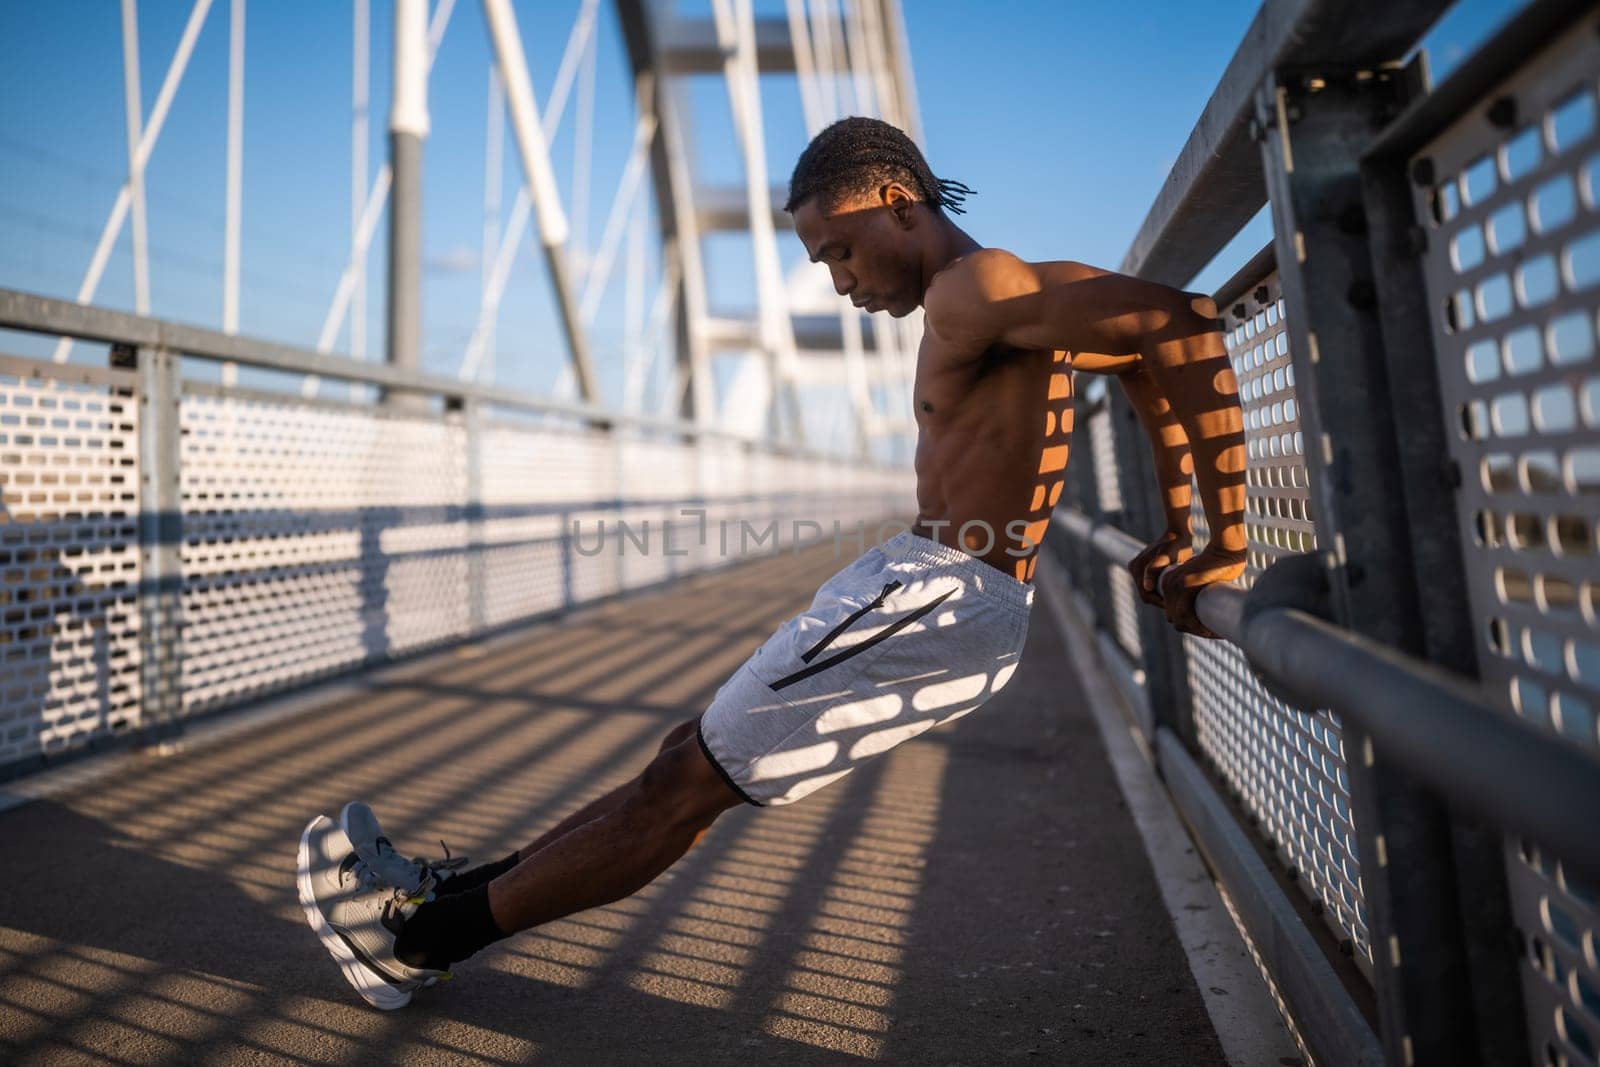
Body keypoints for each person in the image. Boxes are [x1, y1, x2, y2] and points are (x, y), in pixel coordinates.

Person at [297, 116, 1248, 1009]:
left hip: (946, 598)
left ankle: (418, 940)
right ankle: (444, 900)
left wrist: (1226, 541)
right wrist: (1178, 527)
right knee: (685, 753)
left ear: (896, 201)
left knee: (684, 788)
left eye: (839, 247)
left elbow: (1186, 325)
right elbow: (1137, 354)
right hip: (919, 579)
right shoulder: (998, 288)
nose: (838, 280)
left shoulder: (978, 286)